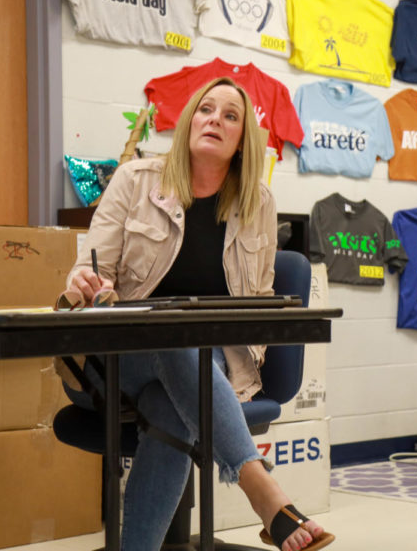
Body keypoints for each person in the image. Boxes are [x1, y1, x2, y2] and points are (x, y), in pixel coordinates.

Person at [58, 77, 334, 551]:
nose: (215, 120)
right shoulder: (135, 181)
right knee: (168, 330)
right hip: (123, 357)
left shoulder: (258, 203)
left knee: (173, 398)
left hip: (218, 361)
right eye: (206, 109)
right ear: (189, 121)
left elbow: (262, 304)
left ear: (243, 139)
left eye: (231, 116)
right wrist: (86, 285)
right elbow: (87, 273)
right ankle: (263, 493)